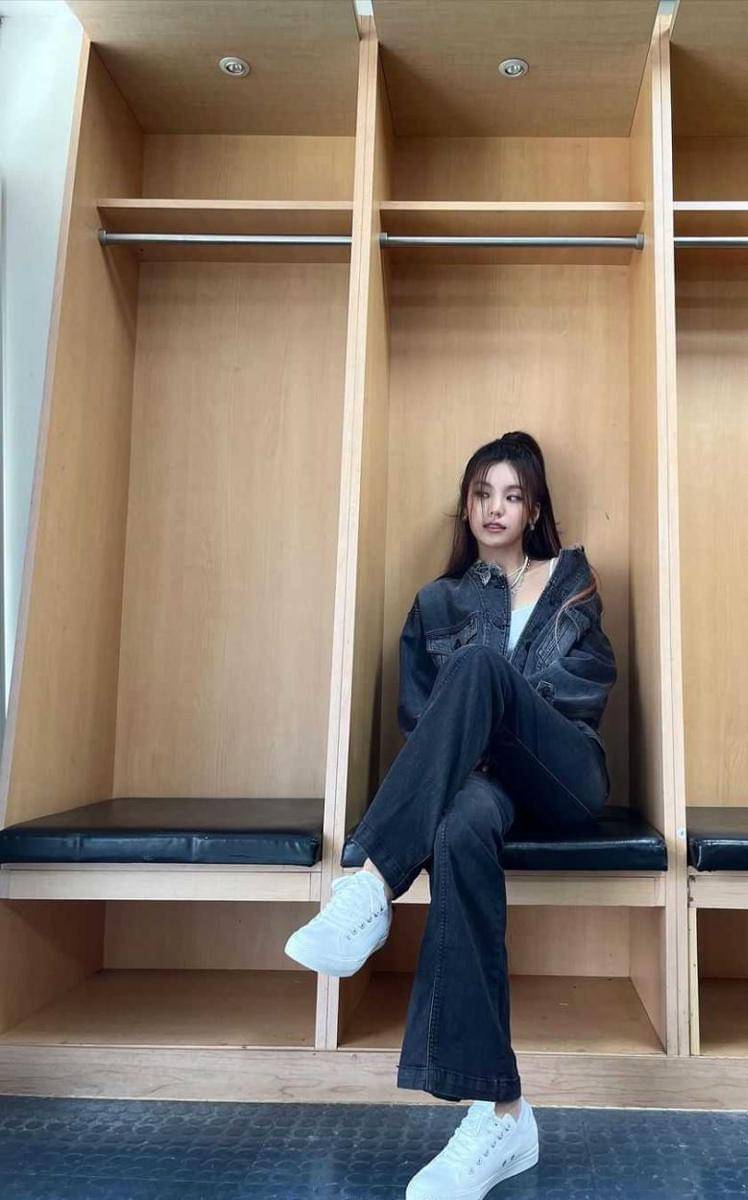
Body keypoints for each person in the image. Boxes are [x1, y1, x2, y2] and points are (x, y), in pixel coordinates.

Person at [284, 430, 617, 1200]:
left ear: (534, 509)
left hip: (563, 771)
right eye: (482, 494)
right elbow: (422, 722)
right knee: (458, 824)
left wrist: (492, 706)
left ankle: (372, 882)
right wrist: (473, 732)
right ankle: (500, 1112)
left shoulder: (571, 582)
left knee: (479, 670)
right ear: (465, 507)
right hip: (480, 790)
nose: (496, 508)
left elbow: (582, 690)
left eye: (512, 495)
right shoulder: (437, 603)